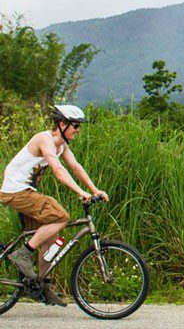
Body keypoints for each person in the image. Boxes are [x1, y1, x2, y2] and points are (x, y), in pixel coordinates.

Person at [0, 105, 109, 306]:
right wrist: (80, 192)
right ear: (62, 124)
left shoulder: (62, 146)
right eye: (75, 126)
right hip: (15, 191)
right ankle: (22, 254)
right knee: (60, 215)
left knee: (51, 238)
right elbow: (58, 170)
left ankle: (42, 287)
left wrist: (95, 190)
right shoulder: (44, 139)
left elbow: (76, 167)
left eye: (79, 127)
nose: (78, 130)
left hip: (27, 192)